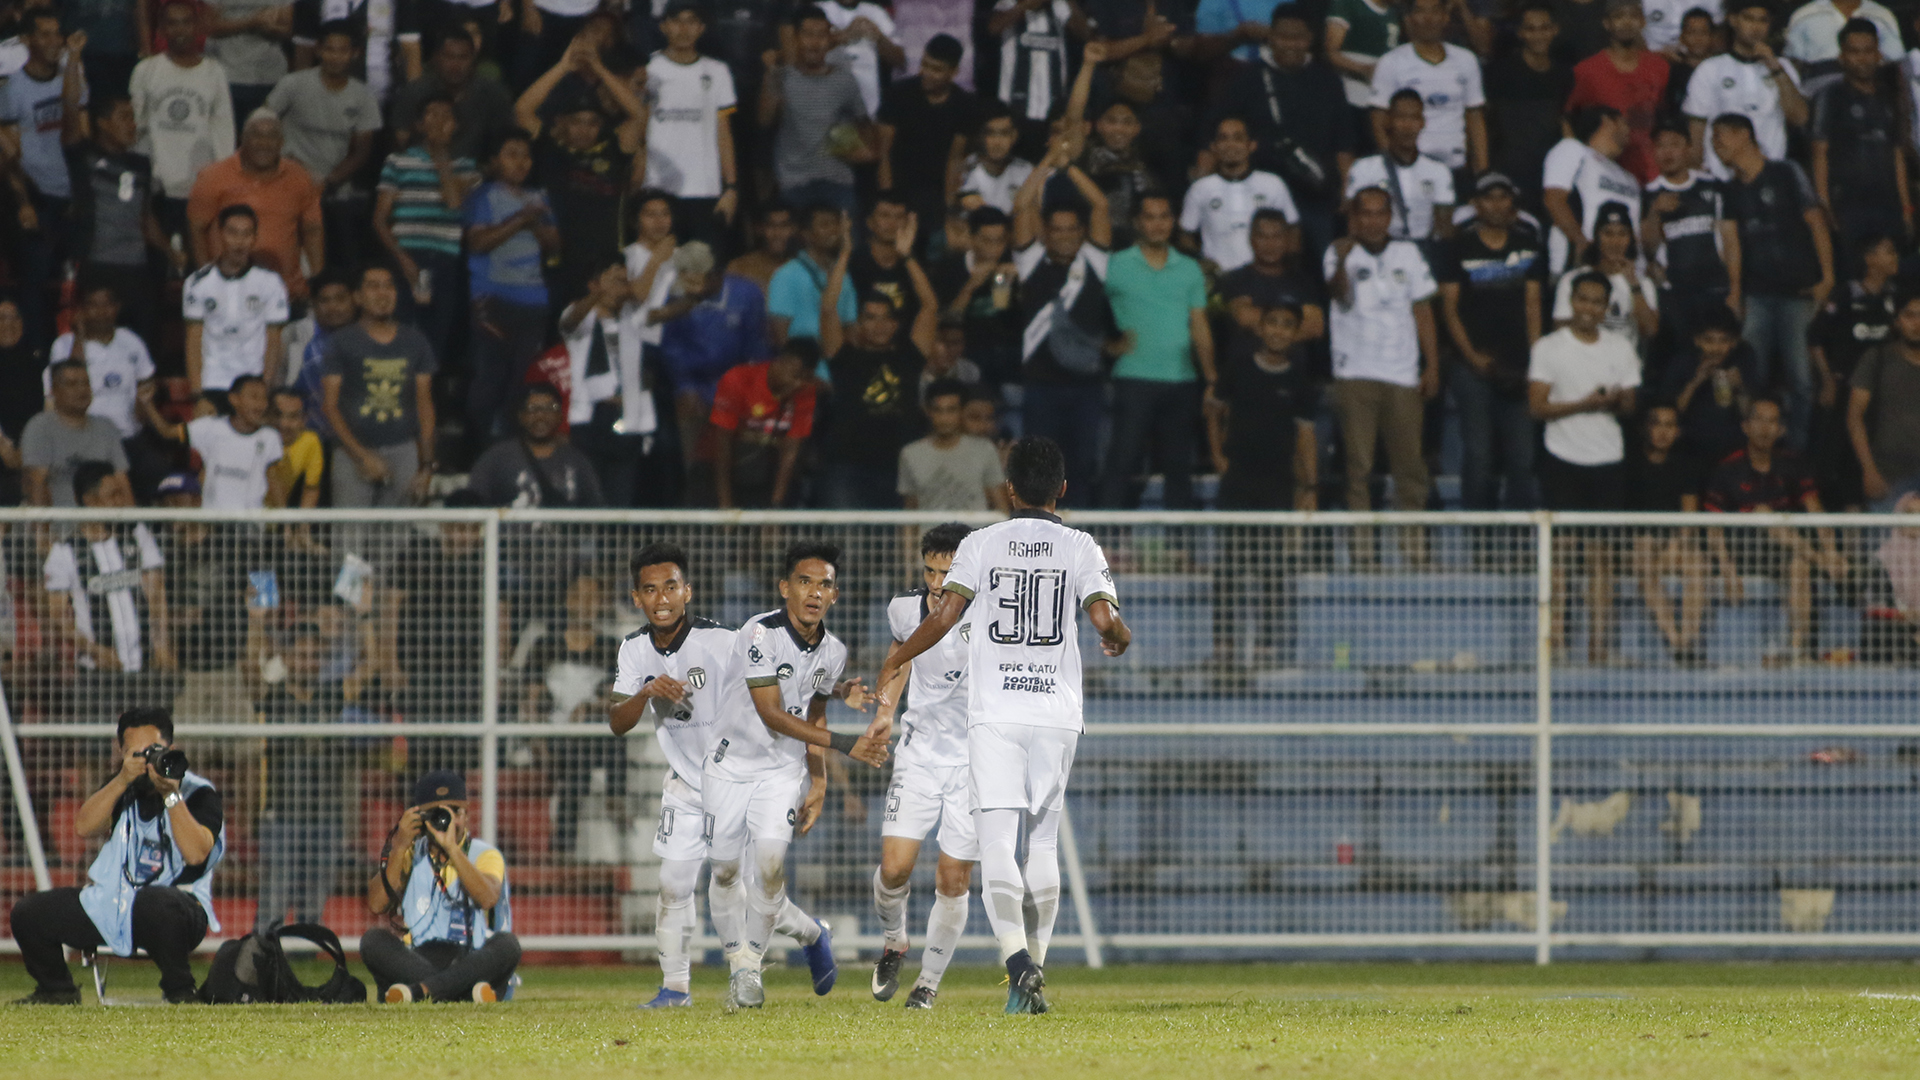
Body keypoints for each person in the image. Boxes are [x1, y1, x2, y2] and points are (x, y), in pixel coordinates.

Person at [875, 435, 1130, 1015]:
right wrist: (1117, 637)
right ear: (1063, 490)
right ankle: (1032, 973)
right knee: (1042, 841)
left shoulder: (982, 543)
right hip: (1058, 712)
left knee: (996, 843)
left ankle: (1016, 962)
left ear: (1009, 489)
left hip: (996, 713)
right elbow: (1104, 619)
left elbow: (944, 616)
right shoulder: (1080, 545)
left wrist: (895, 658)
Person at [608, 542, 795, 1007]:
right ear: (637, 598)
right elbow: (617, 721)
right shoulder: (633, 651)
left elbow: (767, 685)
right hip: (687, 786)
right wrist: (649, 690)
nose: (662, 598)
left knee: (737, 881)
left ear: (687, 591)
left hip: (733, 782)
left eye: (671, 586)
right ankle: (675, 989)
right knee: (673, 884)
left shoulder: (722, 641)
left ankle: (756, 969)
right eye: (650, 590)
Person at [706, 542, 889, 1009]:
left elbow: (815, 716)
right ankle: (811, 934)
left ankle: (746, 972)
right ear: (785, 587)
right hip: (728, 766)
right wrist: (849, 745)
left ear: (835, 594)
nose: (814, 592)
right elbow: (772, 714)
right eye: (804, 582)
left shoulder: (834, 652)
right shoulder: (759, 634)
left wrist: (820, 781)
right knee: (727, 873)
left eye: (824, 584)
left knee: (768, 868)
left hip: (780, 772)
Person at [9, 706, 221, 1004]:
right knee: (29, 912)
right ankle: (56, 990)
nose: (147, 762)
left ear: (171, 750)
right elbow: (83, 827)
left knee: (156, 901)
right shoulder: (123, 786)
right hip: (115, 903)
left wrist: (170, 795)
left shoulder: (198, 793)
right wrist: (122, 779)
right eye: (137, 753)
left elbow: (197, 854)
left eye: (154, 751)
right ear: (121, 752)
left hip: (179, 908)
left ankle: (180, 991)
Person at [864, 522, 977, 1008]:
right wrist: (886, 711)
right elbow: (899, 654)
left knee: (952, 878)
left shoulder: (994, 612)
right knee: (895, 870)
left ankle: (927, 984)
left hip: (975, 761)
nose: (936, 581)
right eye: (930, 569)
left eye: (946, 571)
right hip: (921, 754)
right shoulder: (904, 608)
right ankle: (895, 941)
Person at [1528, 271, 1641, 662]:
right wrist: (1583, 404)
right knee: (1561, 552)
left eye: (1597, 302)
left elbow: (1630, 404)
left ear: (1606, 307)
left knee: (1601, 557)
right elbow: (1537, 406)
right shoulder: (1548, 347)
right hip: (1562, 457)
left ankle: (1598, 646)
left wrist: (1614, 401)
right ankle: (1556, 641)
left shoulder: (1621, 347)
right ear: (1571, 302)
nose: (1589, 308)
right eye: (1583, 300)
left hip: (1608, 459)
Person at [1324, 186, 1440, 562]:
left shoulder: (1408, 252)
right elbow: (1340, 295)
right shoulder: (1338, 251)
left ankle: (1415, 550)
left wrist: (1432, 364)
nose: (1373, 221)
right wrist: (1342, 260)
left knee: (1411, 467)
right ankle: (1362, 554)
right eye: (1366, 214)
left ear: (1390, 217)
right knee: (1359, 468)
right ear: (1354, 218)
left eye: (1380, 213)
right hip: (1355, 373)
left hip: (1403, 374)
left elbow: (1422, 311)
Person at [1715, 112, 1833, 452]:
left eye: (1720, 136)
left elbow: (1816, 222)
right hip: (1757, 295)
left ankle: (1796, 452)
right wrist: (1736, 292)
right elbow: (1732, 243)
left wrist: (1828, 276)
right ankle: (1750, 450)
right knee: (1751, 377)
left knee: (1800, 379)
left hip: (1798, 293)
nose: (1715, 145)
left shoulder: (1786, 172)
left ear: (1743, 136)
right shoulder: (1731, 189)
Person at [1010, 143, 1116, 509]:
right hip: (1041, 385)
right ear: (1047, 233)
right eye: (1057, 230)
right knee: (1037, 471)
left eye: (1073, 230)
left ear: (1082, 232)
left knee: (1083, 466)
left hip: (1087, 386)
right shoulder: (1031, 263)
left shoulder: (1094, 262)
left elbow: (1101, 205)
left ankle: (1079, 540)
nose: (1065, 236)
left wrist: (1068, 167)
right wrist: (1047, 163)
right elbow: (1022, 205)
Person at [1703, 397, 1848, 660]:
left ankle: (1795, 649)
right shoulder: (1727, 468)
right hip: (1744, 551)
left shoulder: (1793, 463)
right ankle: (1820, 562)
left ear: (1781, 430)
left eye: (1772, 421)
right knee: (1763, 514)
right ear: (1746, 426)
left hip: (1783, 551)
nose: (1765, 427)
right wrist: (1726, 570)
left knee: (1799, 566)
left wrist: (1833, 551)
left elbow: (1815, 511)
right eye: (1759, 419)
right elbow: (1713, 527)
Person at [362, 769, 519, 1003]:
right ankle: (464, 994)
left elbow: (487, 898)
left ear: (466, 815)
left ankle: (419, 992)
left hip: (470, 955)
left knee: (508, 945)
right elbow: (376, 904)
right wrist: (399, 846)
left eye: (455, 812)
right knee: (372, 940)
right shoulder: (410, 853)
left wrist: (453, 850)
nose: (448, 820)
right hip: (420, 956)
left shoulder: (485, 854)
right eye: (437, 813)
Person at [1437, 172, 1545, 511]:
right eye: (1488, 197)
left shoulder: (1529, 244)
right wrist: (1472, 357)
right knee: (1479, 455)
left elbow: (1533, 307)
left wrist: (1536, 361)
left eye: (1503, 197)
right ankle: (1480, 544)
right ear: (1475, 203)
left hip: (1519, 364)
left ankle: (1518, 550)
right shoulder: (1458, 247)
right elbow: (1449, 309)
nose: (1496, 205)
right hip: (1472, 367)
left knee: (1522, 459)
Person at [516, 36, 649, 312]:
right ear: (562, 124)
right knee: (558, 338)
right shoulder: (550, 150)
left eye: (592, 123)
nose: (584, 129)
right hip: (557, 261)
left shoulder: (613, 148)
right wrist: (564, 66)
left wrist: (599, 69)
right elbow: (522, 110)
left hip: (605, 263)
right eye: (576, 122)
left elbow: (637, 114)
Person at [1100, 193, 1215, 510]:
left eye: (1164, 216)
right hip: (1133, 378)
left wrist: (1211, 377)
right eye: (1150, 217)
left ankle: (1180, 551)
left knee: (1179, 468)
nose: (1158, 224)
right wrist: (1106, 346)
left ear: (1173, 221)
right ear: (1138, 222)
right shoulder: (1116, 265)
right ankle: (1105, 545)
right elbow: (1086, 308)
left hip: (1182, 379)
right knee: (1122, 462)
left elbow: (1199, 325)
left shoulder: (1189, 268)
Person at [819, 215, 939, 508]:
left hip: (902, 465)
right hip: (848, 465)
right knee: (846, 548)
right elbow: (827, 309)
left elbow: (930, 306)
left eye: (886, 318)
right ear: (859, 324)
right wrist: (845, 254)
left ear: (896, 324)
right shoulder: (844, 357)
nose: (879, 325)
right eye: (870, 318)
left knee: (899, 547)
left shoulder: (908, 357)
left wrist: (907, 257)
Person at [1214, 11, 1354, 260]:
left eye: (1297, 37)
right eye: (1283, 37)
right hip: (1260, 196)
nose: (1290, 44)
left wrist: (1346, 187)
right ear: (1271, 37)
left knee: (1321, 266)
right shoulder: (1247, 78)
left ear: (1310, 39)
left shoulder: (1328, 81)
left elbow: (1343, 139)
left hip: (1316, 196)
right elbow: (1220, 130)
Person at [252, 622, 353, 933]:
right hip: (282, 817)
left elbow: (371, 664)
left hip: (325, 818)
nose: (308, 662)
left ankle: (307, 968)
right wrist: (258, 619)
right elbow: (248, 669)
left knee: (313, 910)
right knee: (273, 905)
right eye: (301, 655)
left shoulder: (333, 695)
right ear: (286, 657)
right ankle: (260, 965)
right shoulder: (271, 698)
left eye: (314, 656)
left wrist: (361, 618)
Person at [464, 128, 559, 449]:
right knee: (490, 377)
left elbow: (554, 245)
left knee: (523, 379)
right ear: (494, 162)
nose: (521, 162)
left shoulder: (539, 197)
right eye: (511, 154)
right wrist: (520, 221)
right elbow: (477, 243)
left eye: (526, 155)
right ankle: (480, 448)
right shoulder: (484, 195)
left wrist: (539, 226)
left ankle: (513, 447)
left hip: (533, 301)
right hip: (494, 298)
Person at [0, 9, 87, 345]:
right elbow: (6, 156)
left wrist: (73, 60)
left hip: (73, 193)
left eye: (57, 34)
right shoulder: (11, 89)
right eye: (45, 34)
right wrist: (23, 202)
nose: (54, 42)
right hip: (37, 197)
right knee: (34, 283)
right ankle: (37, 352)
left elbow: (76, 122)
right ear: (26, 40)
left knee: (79, 282)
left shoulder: (72, 74)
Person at [321, 264, 437, 509]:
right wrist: (361, 455)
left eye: (388, 286)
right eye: (373, 286)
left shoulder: (415, 342)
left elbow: (424, 404)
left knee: (395, 542)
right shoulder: (341, 342)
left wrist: (426, 465)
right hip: (352, 452)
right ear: (358, 297)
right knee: (349, 541)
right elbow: (330, 407)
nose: (383, 293)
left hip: (404, 450)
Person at [266, 23, 382, 266]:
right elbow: (262, 125)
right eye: (329, 49)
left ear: (355, 53)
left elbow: (362, 151)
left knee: (341, 259)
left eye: (342, 50)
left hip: (336, 191)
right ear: (318, 51)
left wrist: (328, 182)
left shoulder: (364, 96)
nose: (335, 56)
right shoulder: (293, 84)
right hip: (288, 182)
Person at [66, 93, 174, 346]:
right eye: (125, 117)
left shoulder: (141, 164)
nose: (133, 124)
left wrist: (170, 251)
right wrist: (72, 59)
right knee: (97, 341)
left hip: (137, 268)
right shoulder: (85, 157)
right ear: (103, 123)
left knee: (145, 341)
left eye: (133, 117)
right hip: (98, 265)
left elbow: (145, 216)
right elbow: (70, 114)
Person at [186, 110, 326, 305]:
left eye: (271, 136)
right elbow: (197, 230)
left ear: (282, 141)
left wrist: (319, 284)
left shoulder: (300, 177)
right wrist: (210, 281)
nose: (264, 143)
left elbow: (312, 230)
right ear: (242, 139)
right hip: (229, 291)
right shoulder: (213, 177)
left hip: (288, 291)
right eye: (257, 135)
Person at [375, 93, 479, 351]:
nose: (440, 120)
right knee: (402, 328)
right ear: (419, 124)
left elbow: (453, 202)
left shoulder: (466, 167)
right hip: (409, 254)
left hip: (444, 258)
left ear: (456, 125)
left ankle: (425, 387)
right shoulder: (398, 161)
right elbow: (379, 219)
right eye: (433, 114)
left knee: (434, 336)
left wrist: (441, 152)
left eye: (447, 116)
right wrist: (403, 259)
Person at [1808, 20, 1908, 282]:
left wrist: (1906, 207)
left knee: (1892, 278)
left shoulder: (1890, 97)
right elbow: (1820, 153)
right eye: (1855, 51)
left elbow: (1896, 153)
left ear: (1879, 55)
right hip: (1848, 207)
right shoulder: (1830, 97)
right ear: (1842, 57)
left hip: (1887, 205)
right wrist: (1824, 206)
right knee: (1852, 278)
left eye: (1868, 51)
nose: (1862, 59)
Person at [131, 0, 236, 237]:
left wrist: (221, 182)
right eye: (173, 23)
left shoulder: (214, 72)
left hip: (199, 188)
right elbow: (136, 128)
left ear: (197, 27)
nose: (180, 30)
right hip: (157, 187)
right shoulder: (145, 71)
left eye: (186, 23)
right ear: (162, 29)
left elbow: (224, 130)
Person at [761, 5, 875, 215]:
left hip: (838, 181)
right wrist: (771, 73)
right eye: (808, 35)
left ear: (830, 38)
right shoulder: (783, 75)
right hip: (794, 183)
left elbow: (865, 126)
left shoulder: (844, 79)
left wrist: (853, 148)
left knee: (848, 244)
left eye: (822, 35)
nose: (815, 43)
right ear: (795, 38)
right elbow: (764, 120)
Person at [559, 262, 656, 507]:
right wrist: (599, 295)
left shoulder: (632, 320)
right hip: (591, 419)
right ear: (594, 285)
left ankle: (616, 545)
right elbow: (568, 323)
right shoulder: (582, 316)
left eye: (624, 282)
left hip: (627, 417)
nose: (620, 288)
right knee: (588, 500)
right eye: (614, 281)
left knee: (621, 502)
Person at [1812, 233, 1898, 508]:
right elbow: (1815, 337)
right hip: (1847, 388)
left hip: (1884, 395)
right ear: (1869, 259)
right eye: (1888, 251)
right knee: (1844, 457)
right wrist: (1827, 379)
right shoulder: (1845, 293)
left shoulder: (1895, 297)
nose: (1895, 257)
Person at [644, 0, 739, 248]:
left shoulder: (717, 71)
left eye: (691, 22)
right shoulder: (647, 69)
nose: (683, 29)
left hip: (703, 188)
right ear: (664, 26)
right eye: (676, 21)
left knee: (701, 269)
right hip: (657, 188)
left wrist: (730, 187)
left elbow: (724, 131)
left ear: (701, 28)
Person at [1208, 303, 1318, 511]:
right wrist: (1216, 455)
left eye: (1287, 325)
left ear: (1295, 334)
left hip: (1279, 480)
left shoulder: (1300, 381)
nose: (1278, 331)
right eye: (1272, 323)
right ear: (1260, 328)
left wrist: (1311, 487)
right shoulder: (1237, 368)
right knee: (1234, 542)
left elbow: (1306, 435)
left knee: (1271, 542)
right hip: (1237, 475)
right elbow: (1213, 412)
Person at [184, 205, 292, 409]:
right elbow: (193, 339)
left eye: (246, 234)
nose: (239, 241)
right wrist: (198, 393)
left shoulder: (270, 282)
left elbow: (274, 340)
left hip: (253, 380)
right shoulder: (197, 283)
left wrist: (266, 387)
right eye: (232, 233)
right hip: (212, 381)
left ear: (255, 237)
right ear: (220, 235)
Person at [1683, 0, 1807, 179]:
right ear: (1733, 20)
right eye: (1749, 19)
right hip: (1721, 177)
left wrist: (1775, 68)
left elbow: (1800, 118)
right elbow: (1696, 133)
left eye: (1762, 21)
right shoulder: (1710, 69)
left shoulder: (1783, 68)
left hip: (1771, 175)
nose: (1756, 27)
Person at [1627, 404, 1710, 666]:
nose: (1663, 432)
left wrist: (1677, 543)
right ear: (1645, 429)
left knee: (1697, 563)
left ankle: (1688, 640)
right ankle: (1676, 641)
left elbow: (1689, 515)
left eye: (1670, 425)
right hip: (1638, 550)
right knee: (1644, 558)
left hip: (1673, 547)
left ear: (1678, 432)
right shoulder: (1630, 464)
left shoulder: (1686, 464)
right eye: (1657, 424)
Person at [1642, 119, 1736, 347]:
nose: (1668, 152)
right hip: (1674, 294)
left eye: (1674, 144)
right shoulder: (1647, 194)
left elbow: (1731, 241)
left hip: (1716, 288)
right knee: (1683, 354)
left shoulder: (1713, 186)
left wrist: (1735, 289)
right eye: (1661, 146)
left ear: (1688, 148)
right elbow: (1648, 249)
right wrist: (1655, 213)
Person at [1368, 0, 1487, 175]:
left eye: (1434, 11)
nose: (1428, 19)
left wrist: (1482, 170)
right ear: (1410, 18)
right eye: (1421, 12)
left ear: (1445, 17)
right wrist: (1392, 166)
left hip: (1455, 165)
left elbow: (1475, 117)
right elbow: (1378, 118)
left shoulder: (1466, 60)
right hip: (1409, 167)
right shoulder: (1391, 62)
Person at [876, 33, 976, 238]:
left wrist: (949, 207)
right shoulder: (899, 94)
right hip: (899, 191)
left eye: (937, 69)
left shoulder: (964, 105)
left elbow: (955, 159)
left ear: (954, 72)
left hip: (935, 196)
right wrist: (887, 198)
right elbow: (883, 151)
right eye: (925, 65)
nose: (927, 73)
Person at [140, 374, 287, 510]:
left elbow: (273, 479)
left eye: (264, 398)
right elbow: (166, 431)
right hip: (214, 520)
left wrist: (285, 519)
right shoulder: (210, 428)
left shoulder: (270, 437)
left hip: (251, 523)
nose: (261, 404)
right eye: (254, 397)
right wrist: (148, 403)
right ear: (234, 399)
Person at [1566, 0, 1670, 183]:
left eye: (1633, 16)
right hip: (1605, 172)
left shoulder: (1660, 67)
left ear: (1643, 21)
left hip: (1653, 172)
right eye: (1619, 17)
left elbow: (1662, 115)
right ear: (1607, 23)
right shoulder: (1587, 71)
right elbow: (1567, 118)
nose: (1627, 22)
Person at [1485, 3, 1573, 216]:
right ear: (1521, 33)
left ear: (1555, 30)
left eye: (1544, 28)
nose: (1538, 35)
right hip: (1510, 173)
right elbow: (1487, 122)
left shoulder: (1564, 76)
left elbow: (1565, 122)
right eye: (1531, 29)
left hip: (1549, 174)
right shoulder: (1500, 72)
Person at [1180, 116, 1300, 273]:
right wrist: (1201, 266)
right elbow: (1186, 234)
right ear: (1214, 146)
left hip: (1264, 277)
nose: (1230, 145)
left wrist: (1287, 269)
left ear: (1251, 145)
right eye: (1223, 139)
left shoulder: (1272, 184)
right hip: (1218, 278)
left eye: (1238, 138)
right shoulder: (1200, 189)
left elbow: (1293, 228)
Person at [710, 340, 820, 509]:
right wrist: (725, 504)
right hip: (721, 470)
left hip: (766, 475)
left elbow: (790, 451)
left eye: (805, 379)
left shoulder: (805, 391)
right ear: (782, 363)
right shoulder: (738, 379)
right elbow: (722, 445)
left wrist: (775, 509)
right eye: (796, 376)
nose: (798, 384)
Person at [47, 281, 156, 442]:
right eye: (94, 305)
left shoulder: (132, 341)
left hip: (128, 436)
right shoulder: (63, 345)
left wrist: (142, 406)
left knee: (156, 467)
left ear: (117, 307)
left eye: (107, 305)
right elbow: (70, 383)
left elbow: (147, 384)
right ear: (82, 309)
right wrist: (79, 337)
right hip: (84, 437)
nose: (101, 312)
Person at [1217, 210, 1326, 368]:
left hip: (1293, 375)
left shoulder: (1302, 281)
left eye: (1277, 237)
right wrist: (1291, 324)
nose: (1270, 244)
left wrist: (1264, 322)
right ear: (1251, 240)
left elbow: (1315, 327)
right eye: (1263, 237)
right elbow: (1244, 317)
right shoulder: (1235, 279)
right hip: (1244, 374)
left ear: (1287, 240)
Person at [467, 384, 604, 508]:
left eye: (549, 408)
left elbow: (594, 508)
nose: (540, 416)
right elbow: (474, 503)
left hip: (563, 536)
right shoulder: (496, 458)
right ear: (521, 416)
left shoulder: (577, 461)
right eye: (532, 409)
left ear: (560, 415)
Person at [1346, 89, 1455, 243]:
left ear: (1422, 123)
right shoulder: (1364, 168)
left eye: (1414, 118)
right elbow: (1354, 223)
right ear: (1388, 121)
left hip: (1424, 249)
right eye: (1401, 117)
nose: (1407, 125)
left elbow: (1444, 230)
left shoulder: (1439, 171)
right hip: (1379, 249)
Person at [1542, 104, 1639, 274]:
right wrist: (1581, 243)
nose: (1629, 129)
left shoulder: (1629, 178)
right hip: (1583, 268)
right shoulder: (1574, 150)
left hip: (1627, 273)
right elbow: (1554, 199)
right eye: (1624, 122)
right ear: (1607, 121)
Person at [388, 30, 512, 161]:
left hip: (477, 174)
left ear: (474, 60)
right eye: (448, 57)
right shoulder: (414, 92)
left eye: (463, 58)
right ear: (435, 59)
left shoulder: (494, 94)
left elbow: (506, 142)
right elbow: (400, 140)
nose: (456, 65)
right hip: (419, 170)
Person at [21, 361, 131, 508]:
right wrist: (43, 530)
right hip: (58, 522)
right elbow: (35, 483)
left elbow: (121, 480)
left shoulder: (106, 428)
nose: (82, 390)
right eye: (72, 384)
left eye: (86, 383)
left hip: (104, 522)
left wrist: (133, 526)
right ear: (54, 390)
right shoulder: (39, 427)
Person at [1551, 201, 1659, 349]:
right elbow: (1560, 327)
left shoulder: (1643, 284)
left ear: (1630, 239)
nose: (1615, 242)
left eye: (1622, 234)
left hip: (1621, 365)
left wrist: (1634, 285)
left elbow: (1650, 330)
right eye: (1608, 233)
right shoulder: (1573, 278)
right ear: (1597, 237)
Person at [1848, 291, 1920, 510]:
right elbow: (1854, 417)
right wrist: (1869, 471)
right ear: (1897, 321)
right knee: (1884, 544)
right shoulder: (1877, 358)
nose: (1917, 323)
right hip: (1887, 475)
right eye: (1910, 315)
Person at [1662, 304, 1762, 463]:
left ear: (1734, 342)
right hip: (1689, 447)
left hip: (1733, 449)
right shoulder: (1683, 361)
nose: (1716, 348)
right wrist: (1695, 383)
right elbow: (1670, 415)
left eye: (1723, 341)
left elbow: (1751, 417)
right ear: (1697, 340)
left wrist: (1739, 387)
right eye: (1709, 340)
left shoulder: (1743, 359)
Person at [986, 0, 1085, 154]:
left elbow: (1084, 33)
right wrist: (1026, 5)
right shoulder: (1008, 3)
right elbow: (994, 27)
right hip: (1015, 111)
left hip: (1052, 113)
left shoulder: (1059, 6)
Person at [897, 380, 1007, 511]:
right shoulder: (910, 454)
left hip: (973, 531)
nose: (945, 418)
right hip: (929, 531)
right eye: (939, 410)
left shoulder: (985, 450)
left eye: (951, 410)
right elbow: (910, 510)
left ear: (962, 411)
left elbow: (1001, 506)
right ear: (927, 411)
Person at [767, 202, 859, 347]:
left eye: (837, 224)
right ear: (806, 234)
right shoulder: (786, 274)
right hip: (804, 365)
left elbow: (850, 325)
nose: (834, 230)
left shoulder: (843, 275)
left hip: (838, 363)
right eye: (825, 225)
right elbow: (779, 334)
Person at [204, 0, 289, 126]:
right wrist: (251, 22)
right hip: (228, 75)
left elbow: (291, 29)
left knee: (264, 139)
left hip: (271, 76)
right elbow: (208, 27)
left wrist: (271, 27)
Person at [1785, 0, 1902, 79]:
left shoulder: (1883, 16)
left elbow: (1896, 63)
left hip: (1872, 91)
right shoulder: (1804, 15)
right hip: (1819, 92)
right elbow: (1793, 67)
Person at [956, 103, 1035, 215]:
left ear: (1014, 136)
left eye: (1004, 134)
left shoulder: (1025, 169)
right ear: (982, 136)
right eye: (991, 134)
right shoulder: (968, 166)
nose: (997, 142)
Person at [267, 387, 324, 510]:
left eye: (292, 417)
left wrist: (303, 523)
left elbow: (311, 487)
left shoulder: (310, 441)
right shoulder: (258, 437)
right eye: (278, 414)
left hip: (275, 521)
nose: (283, 423)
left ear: (304, 419)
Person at [729, 202, 797, 291]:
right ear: (759, 229)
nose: (777, 233)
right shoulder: (740, 267)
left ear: (794, 229)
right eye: (771, 226)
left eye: (784, 226)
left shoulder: (803, 268)